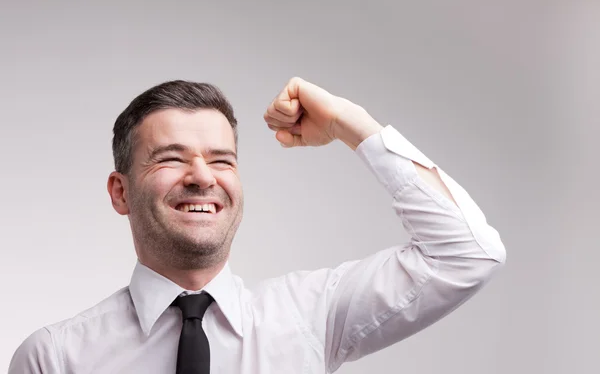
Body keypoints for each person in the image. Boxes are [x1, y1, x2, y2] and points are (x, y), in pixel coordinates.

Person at [8, 77, 506, 373]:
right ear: (120, 192)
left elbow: (468, 253)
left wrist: (350, 124)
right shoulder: (54, 359)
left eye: (222, 160)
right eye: (170, 158)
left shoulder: (313, 316)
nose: (202, 177)